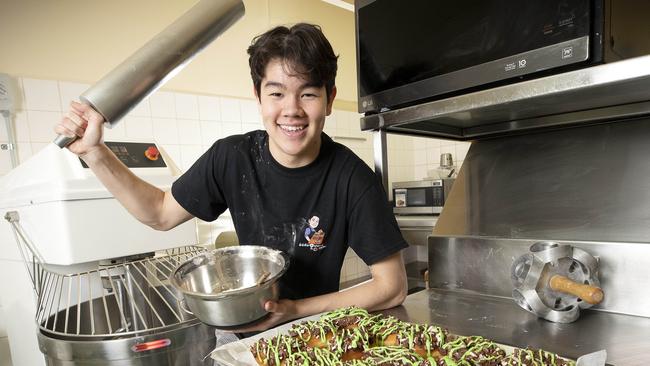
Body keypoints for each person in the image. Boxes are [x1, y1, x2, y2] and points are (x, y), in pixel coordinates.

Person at [55, 23, 408, 332]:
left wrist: (295, 311)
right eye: (276, 93)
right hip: (242, 335)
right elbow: (159, 213)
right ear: (258, 97)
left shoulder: (352, 178)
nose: (292, 110)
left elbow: (392, 286)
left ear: (329, 100)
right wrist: (94, 153)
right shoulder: (232, 157)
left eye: (309, 94)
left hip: (316, 330)